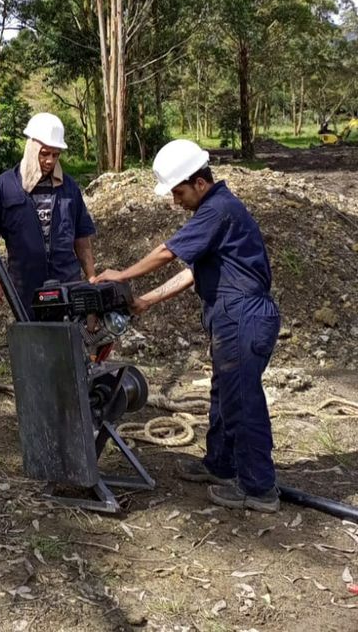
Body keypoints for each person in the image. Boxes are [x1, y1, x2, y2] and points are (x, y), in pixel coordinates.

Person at [94, 139, 282, 513]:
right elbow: (191, 273)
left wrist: (123, 274)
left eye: (178, 192)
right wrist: (146, 299)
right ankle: (220, 465)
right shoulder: (217, 214)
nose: (175, 201)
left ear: (199, 182)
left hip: (243, 315)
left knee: (242, 401)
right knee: (223, 394)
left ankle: (259, 489)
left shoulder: (217, 210)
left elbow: (168, 253)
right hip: (230, 314)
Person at [0, 112, 96, 315]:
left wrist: (91, 276)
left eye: (55, 155)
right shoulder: (2, 187)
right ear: (32, 148)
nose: (50, 161)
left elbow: (82, 237)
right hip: (25, 284)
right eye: (44, 154)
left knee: (69, 337)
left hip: (67, 281)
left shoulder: (69, 188)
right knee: (32, 338)